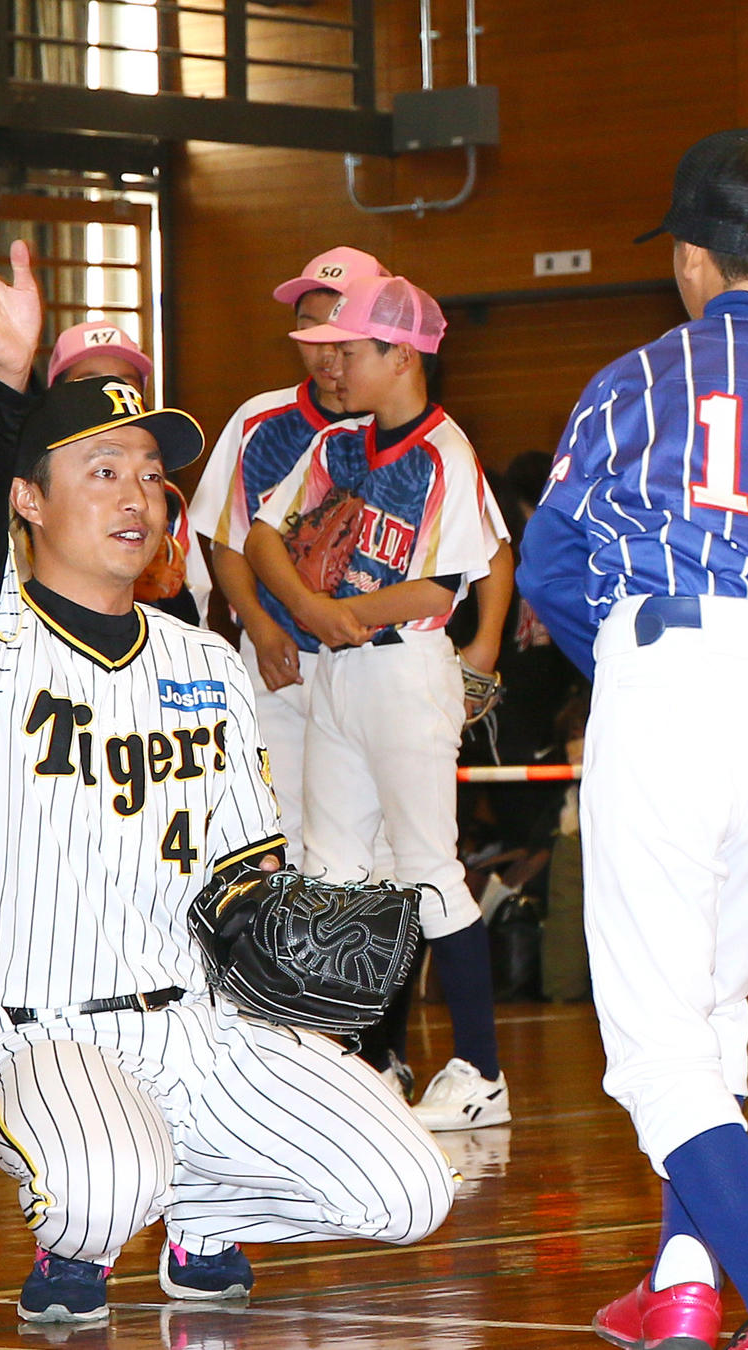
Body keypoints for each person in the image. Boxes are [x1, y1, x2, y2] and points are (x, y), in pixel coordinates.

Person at [0, 238, 455, 1326]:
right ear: (29, 499)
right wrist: (8, 376)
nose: (138, 497)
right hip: (47, 1031)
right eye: (101, 470)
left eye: (152, 476)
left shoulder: (204, 660)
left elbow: (246, 872)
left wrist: (299, 957)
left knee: (412, 1191)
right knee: (107, 1189)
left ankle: (203, 1207)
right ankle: (83, 1235)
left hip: (206, 1029)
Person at [517, 128, 748, 1350]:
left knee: (651, 1041)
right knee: (706, 1003)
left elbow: (550, 566)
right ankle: (681, 1280)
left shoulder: (632, 383)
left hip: (672, 678)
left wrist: (632, 666)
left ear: (687, 256)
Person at [243, 272, 515, 1133]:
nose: (333, 364)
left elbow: (439, 585)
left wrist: (339, 613)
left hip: (404, 671)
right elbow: (261, 534)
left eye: (350, 349)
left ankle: (482, 1072)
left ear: (401, 356)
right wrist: (313, 608)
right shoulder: (337, 445)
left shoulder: (446, 453)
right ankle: (357, 1060)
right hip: (337, 670)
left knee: (429, 869)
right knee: (330, 871)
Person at [188, 246, 389, 853]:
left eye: (340, 331)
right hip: (278, 657)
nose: (325, 350)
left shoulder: (404, 426)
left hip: (374, 659)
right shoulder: (260, 420)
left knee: (378, 843)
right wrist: (257, 624)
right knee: (281, 834)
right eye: (309, 329)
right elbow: (229, 538)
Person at [47, 319, 211, 626]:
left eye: (124, 386)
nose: (108, 398)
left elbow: (194, 610)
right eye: (88, 386)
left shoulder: (165, 500)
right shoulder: (26, 491)